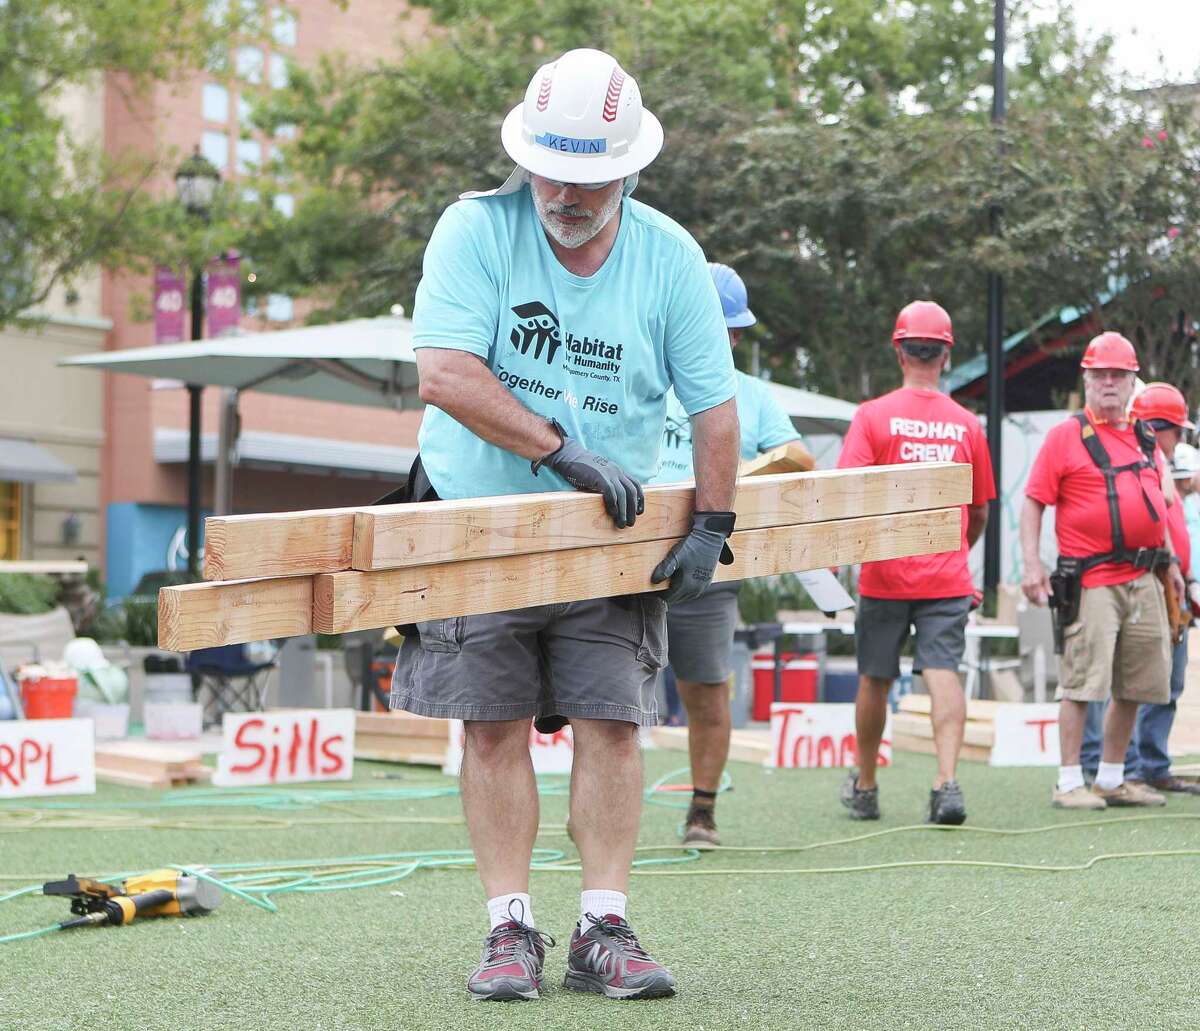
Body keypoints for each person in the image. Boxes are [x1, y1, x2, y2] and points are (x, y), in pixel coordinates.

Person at [390, 49, 740, 1003]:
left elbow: (714, 405)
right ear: (526, 153)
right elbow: (444, 372)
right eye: (551, 169)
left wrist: (714, 520)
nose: (566, 192)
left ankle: (603, 923)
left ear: (627, 168)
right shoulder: (475, 230)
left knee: (613, 722)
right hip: (481, 520)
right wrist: (563, 451)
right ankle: (510, 930)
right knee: (492, 725)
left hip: (609, 535)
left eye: (588, 177)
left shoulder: (670, 257)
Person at [649, 261, 812, 846]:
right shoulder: (640, 375)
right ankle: (592, 815)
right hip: (626, 560)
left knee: (706, 690)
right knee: (601, 694)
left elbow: (795, 459)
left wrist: (744, 476)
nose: (723, 340)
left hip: (709, 564)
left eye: (730, 331)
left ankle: (702, 810)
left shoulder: (753, 396)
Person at [836, 301, 995, 824]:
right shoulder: (967, 425)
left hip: (884, 573)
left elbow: (849, 494)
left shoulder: (872, 416)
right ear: (946, 355)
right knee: (943, 671)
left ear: (898, 350)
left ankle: (865, 786)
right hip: (946, 574)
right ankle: (946, 784)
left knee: (874, 678)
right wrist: (954, 550)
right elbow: (979, 511)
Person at [1021, 336, 1184, 809]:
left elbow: (1157, 501)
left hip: (1145, 577)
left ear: (1133, 382)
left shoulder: (1144, 435)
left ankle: (1112, 778)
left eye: (1118, 376)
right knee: (1079, 684)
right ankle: (1069, 781)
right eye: (1100, 375)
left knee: (1138, 683)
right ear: (1087, 380)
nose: (1109, 383)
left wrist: (1170, 563)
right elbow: (1033, 501)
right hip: (1091, 580)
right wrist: (1033, 564)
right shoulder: (1064, 436)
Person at [1079, 385, 1200, 795]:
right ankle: (1118, 765)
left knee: (1163, 681)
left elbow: (1176, 537)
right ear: (1156, 427)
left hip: (1170, 585)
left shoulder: (1158, 468)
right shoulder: (1139, 467)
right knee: (1120, 680)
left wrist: (1187, 578)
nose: (1178, 442)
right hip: (1136, 583)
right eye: (1176, 433)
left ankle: (1148, 764)